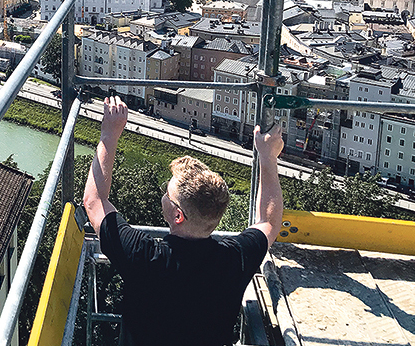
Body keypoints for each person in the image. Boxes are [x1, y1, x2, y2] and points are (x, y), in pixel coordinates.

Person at [83, 96, 284, 346]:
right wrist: (267, 156)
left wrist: (109, 135)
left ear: (178, 216)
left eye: (167, 194)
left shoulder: (142, 254)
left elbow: (94, 201)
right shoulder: (235, 259)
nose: (163, 196)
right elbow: (269, 222)